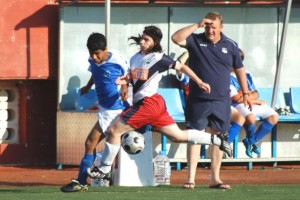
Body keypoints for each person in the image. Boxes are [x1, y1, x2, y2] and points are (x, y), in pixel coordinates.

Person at [87, 25, 233, 181]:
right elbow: (136, 78)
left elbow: (181, 67)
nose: (142, 41)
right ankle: (218, 140)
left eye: (146, 39)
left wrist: (199, 81)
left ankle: (104, 169)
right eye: (141, 38)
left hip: (149, 103)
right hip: (152, 105)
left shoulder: (159, 57)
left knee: (114, 130)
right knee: (178, 136)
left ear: (154, 42)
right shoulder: (135, 58)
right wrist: (126, 79)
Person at [171, 11, 251, 190]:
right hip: (198, 99)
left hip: (221, 100)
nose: (210, 30)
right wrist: (197, 25)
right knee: (195, 136)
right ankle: (190, 178)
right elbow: (175, 38)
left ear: (221, 27)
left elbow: (239, 69)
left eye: (213, 27)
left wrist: (245, 92)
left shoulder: (230, 45)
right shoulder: (195, 40)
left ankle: (215, 178)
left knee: (219, 138)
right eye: (207, 26)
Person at [60, 32, 129, 192]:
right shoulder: (93, 59)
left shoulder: (117, 61)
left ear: (106, 49)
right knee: (91, 143)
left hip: (115, 109)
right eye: (92, 54)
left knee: (90, 142)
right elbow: (94, 71)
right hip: (104, 108)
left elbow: (127, 76)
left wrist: (124, 88)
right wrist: (88, 85)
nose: (94, 57)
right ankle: (86, 179)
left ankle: (83, 180)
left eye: (97, 53)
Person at [230, 49, 279, 158]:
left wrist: (251, 98)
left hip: (250, 102)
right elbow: (236, 98)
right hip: (235, 105)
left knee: (274, 117)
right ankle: (250, 141)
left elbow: (256, 92)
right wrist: (255, 101)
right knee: (251, 117)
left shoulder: (246, 73)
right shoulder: (226, 76)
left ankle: (251, 140)